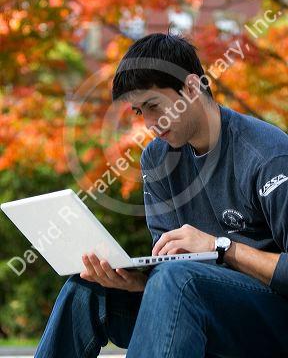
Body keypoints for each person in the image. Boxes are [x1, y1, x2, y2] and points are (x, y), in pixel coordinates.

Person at [35, 33, 288, 358]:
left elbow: (181, 275)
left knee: (178, 280)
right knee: (87, 288)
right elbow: (167, 267)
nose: (150, 123)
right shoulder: (157, 159)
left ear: (193, 87)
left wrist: (221, 248)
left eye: (154, 105)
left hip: (273, 319)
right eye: (140, 111)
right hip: (196, 301)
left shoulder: (266, 155)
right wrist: (133, 282)